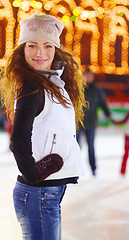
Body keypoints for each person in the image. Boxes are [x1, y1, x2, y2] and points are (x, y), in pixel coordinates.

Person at [0, 14, 86, 240]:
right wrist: (33, 175)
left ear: (56, 49)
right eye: (32, 45)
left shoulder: (52, 83)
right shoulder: (32, 87)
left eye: (48, 46)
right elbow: (18, 140)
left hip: (49, 190)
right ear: (22, 49)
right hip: (39, 191)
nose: (40, 53)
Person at [76, 68, 111, 176]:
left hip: (91, 123)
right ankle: (74, 168)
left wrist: (109, 114)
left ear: (93, 77)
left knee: (91, 146)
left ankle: (93, 168)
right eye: (85, 75)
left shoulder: (97, 90)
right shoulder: (78, 88)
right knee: (76, 147)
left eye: (89, 75)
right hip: (78, 122)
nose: (87, 77)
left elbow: (103, 104)